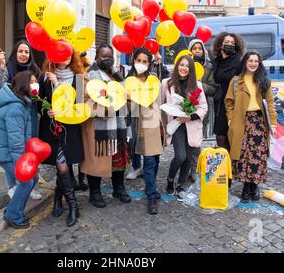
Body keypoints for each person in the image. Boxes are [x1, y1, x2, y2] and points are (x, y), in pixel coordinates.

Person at [0, 70, 40, 229]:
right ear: (23, 84)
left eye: (36, 81)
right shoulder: (16, 107)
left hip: (7, 149)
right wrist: (22, 165)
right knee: (27, 181)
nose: (35, 84)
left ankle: (16, 210)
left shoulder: (22, 102)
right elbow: (15, 140)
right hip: (4, 151)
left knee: (33, 179)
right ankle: (12, 215)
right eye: (31, 81)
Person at [80, 44, 131, 208]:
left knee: (118, 159)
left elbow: (124, 98)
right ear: (96, 57)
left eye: (110, 56)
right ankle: (94, 193)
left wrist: (127, 98)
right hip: (98, 127)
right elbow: (82, 101)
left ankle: (119, 188)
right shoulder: (87, 76)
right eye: (104, 56)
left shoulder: (118, 75)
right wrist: (107, 107)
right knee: (96, 160)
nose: (108, 59)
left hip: (118, 124)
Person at [38, 51, 86, 226]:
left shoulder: (78, 78)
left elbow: (79, 106)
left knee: (63, 165)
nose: (64, 56)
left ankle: (65, 202)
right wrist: (46, 110)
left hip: (70, 130)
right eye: (60, 53)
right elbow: (39, 103)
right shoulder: (45, 77)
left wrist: (57, 84)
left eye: (68, 53)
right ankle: (69, 203)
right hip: (52, 129)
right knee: (62, 165)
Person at [0, 40, 42, 200]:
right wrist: (0, 68)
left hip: (31, 113)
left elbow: (39, 94)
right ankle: (13, 186)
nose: (24, 54)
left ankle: (29, 185)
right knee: (12, 150)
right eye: (21, 51)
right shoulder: (8, 68)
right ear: (15, 53)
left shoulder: (35, 70)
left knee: (30, 148)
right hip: (14, 113)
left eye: (27, 52)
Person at [225, 51, 277, 202]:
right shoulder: (236, 81)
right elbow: (229, 102)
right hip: (242, 121)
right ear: (245, 62)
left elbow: (271, 103)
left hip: (259, 122)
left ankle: (254, 186)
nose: (253, 63)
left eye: (256, 61)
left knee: (258, 156)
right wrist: (230, 120)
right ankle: (246, 187)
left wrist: (272, 123)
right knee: (243, 156)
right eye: (251, 60)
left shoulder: (264, 81)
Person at [161, 55, 208, 197]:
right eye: (181, 65)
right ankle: (170, 180)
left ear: (191, 69)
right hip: (176, 126)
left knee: (188, 158)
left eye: (187, 66)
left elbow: (203, 108)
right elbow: (160, 104)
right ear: (177, 66)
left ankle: (180, 184)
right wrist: (162, 125)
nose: (184, 68)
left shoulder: (197, 86)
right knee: (180, 156)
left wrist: (190, 116)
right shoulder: (166, 83)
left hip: (191, 124)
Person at [126, 48, 164, 214]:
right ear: (134, 61)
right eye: (138, 60)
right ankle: (151, 194)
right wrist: (126, 98)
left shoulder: (153, 80)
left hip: (155, 123)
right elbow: (128, 109)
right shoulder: (128, 82)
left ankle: (152, 186)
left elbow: (154, 100)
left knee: (155, 159)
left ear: (150, 64)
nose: (141, 64)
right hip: (139, 124)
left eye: (144, 61)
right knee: (148, 160)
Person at [211, 32, 246, 151]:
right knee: (220, 137)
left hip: (233, 102)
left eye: (232, 43)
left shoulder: (239, 62)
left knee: (231, 136)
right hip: (220, 103)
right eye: (226, 42)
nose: (229, 45)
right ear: (221, 45)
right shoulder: (216, 62)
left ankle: (232, 165)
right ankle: (225, 164)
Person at [188, 38, 218, 140]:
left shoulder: (209, 67)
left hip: (203, 104)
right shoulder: (185, 65)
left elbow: (213, 88)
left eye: (200, 48)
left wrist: (200, 86)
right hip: (187, 104)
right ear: (190, 51)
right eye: (194, 48)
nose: (197, 51)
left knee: (200, 135)